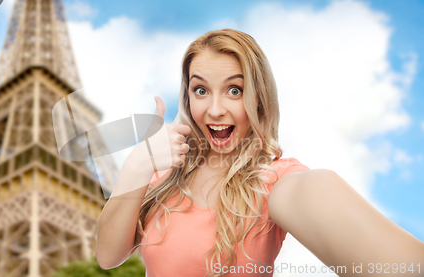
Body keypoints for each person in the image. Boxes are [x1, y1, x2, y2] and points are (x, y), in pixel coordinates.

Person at [95, 29, 424, 277]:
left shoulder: (276, 181)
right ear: (187, 97)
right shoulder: (164, 175)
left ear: (259, 98)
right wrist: (138, 163)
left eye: (234, 90)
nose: (215, 109)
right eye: (201, 90)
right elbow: (108, 256)